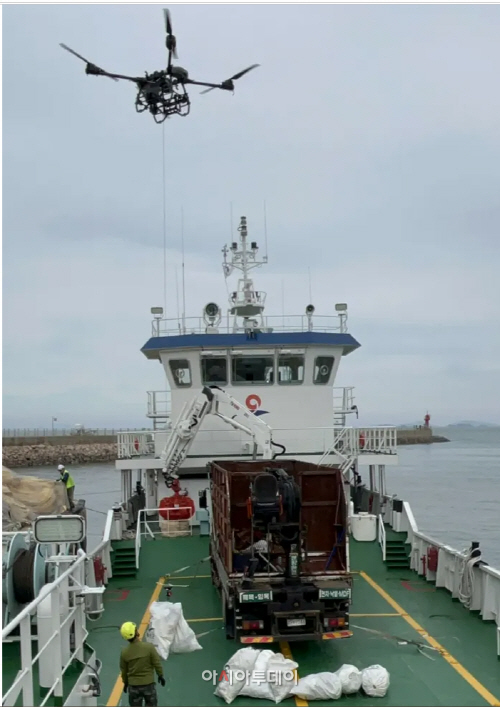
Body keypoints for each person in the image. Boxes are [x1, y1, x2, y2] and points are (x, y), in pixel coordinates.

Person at [119, 622, 165, 707]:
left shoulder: (124, 653)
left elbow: (124, 670)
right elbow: (157, 663)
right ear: (136, 632)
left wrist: (125, 683)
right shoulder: (149, 647)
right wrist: (160, 675)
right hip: (148, 684)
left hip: (133, 686)